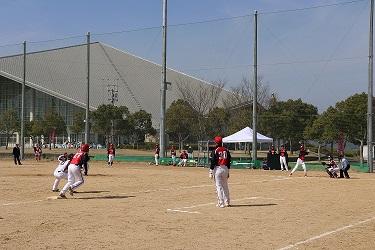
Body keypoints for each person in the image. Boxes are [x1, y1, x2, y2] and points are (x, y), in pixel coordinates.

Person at [209, 136, 231, 208]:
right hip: (225, 168)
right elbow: (229, 161)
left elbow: (213, 161)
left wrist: (211, 171)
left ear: (216, 143)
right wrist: (228, 171)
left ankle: (221, 203)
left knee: (218, 186)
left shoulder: (215, 150)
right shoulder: (226, 150)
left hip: (218, 168)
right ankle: (227, 202)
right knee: (225, 186)